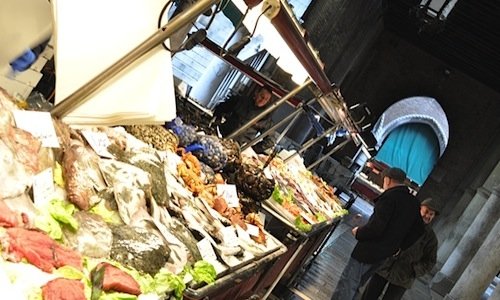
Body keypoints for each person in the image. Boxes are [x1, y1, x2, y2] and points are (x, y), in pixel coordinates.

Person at [331, 167, 425, 300]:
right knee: (357, 284)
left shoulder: (389, 197)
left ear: (388, 180)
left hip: (368, 250)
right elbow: (419, 229)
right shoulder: (413, 202)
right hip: (385, 254)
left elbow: (376, 227)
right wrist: (399, 246)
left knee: (348, 283)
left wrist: (359, 232)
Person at [360, 198, 439, 300]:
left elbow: (430, 261)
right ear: (419, 209)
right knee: (369, 295)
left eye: (431, 214)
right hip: (385, 266)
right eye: (426, 212)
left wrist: (414, 270)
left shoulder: (430, 238)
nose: (427, 216)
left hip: (404, 276)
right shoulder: (403, 222)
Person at [213, 86, 274, 153]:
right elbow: (220, 108)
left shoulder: (265, 117)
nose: (262, 100)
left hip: (238, 149)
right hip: (220, 137)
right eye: (262, 96)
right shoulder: (240, 100)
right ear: (256, 93)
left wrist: (253, 149)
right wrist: (217, 123)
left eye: (266, 99)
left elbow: (270, 140)